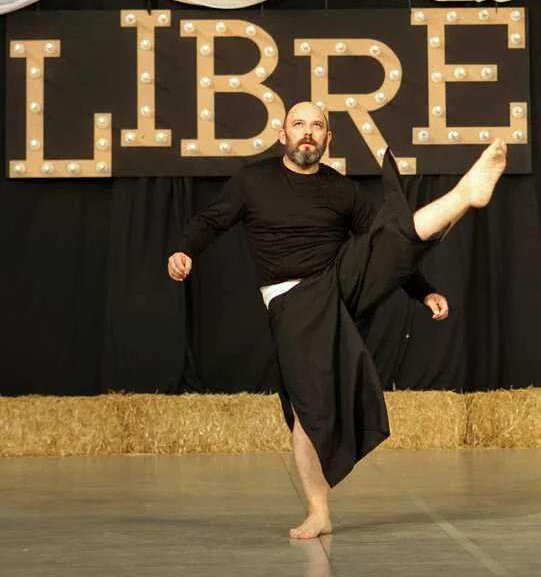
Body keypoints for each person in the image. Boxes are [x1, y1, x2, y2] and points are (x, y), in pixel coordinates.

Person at [168, 101, 507, 540]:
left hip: (339, 282)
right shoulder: (253, 181)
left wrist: (423, 291)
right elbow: (211, 221)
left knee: (392, 235)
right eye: (299, 124)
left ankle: (465, 195)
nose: (307, 132)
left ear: (328, 139)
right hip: (291, 299)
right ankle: (318, 511)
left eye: (317, 126)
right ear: (282, 135)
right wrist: (184, 250)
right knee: (306, 410)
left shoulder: (341, 190)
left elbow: (384, 247)